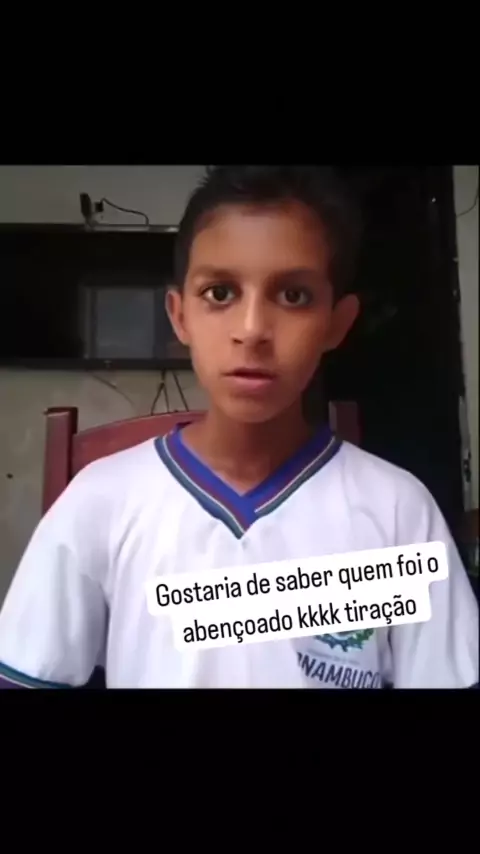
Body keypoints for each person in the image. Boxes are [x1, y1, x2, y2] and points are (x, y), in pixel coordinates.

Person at [0, 165, 477, 689]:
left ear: (336, 323)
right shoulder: (99, 502)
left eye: (294, 296)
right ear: (180, 316)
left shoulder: (398, 512)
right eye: (220, 292)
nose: (251, 331)